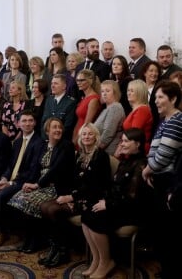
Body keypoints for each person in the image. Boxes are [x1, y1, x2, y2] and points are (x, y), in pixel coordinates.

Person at [38, 123, 111, 267]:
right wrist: (69, 194)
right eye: (84, 134)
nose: (87, 136)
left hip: (93, 198)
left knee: (54, 210)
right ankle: (56, 247)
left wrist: (72, 198)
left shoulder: (100, 156)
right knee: (44, 206)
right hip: (78, 196)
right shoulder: (80, 155)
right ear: (80, 137)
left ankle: (64, 251)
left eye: (90, 134)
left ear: (96, 136)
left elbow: (96, 186)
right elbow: (74, 181)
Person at [81, 128, 149, 278]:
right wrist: (105, 200)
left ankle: (106, 261)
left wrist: (108, 204)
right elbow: (114, 188)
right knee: (86, 215)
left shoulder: (141, 164)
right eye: (122, 140)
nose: (122, 144)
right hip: (118, 205)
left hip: (132, 211)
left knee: (95, 218)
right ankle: (97, 259)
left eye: (126, 141)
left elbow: (132, 198)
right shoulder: (126, 161)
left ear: (137, 144)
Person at [8, 117, 75, 258]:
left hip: (55, 187)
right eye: (54, 127)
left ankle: (37, 240)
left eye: (60, 127)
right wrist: (29, 183)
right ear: (47, 131)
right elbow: (36, 168)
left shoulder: (66, 146)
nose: (58, 130)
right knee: (18, 198)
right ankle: (30, 238)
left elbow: (55, 170)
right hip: (41, 183)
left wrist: (37, 185)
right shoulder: (44, 146)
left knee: (29, 201)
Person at [0, 110, 43, 248]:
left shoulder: (39, 142)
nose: (27, 123)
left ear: (35, 123)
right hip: (11, 179)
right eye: (24, 121)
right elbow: (10, 165)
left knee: (3, 194)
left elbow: (34, 170)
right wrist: (4, 178)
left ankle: (2, 231)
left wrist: (11, 183)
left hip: (25, 181)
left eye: (30, 120)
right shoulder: (17, 142)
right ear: (18, 124)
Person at [142, 81, 182, 279]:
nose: (156, 101)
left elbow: (163, 156)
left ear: (173, 99)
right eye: (155, 97)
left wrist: (147, 170)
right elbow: (153, 152)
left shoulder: (176, 120)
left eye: (161, 97)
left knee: (169, 233)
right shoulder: (165, 120)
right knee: (161, 231)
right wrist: (151, 168)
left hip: (169, 182)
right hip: (158, 178)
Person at [119, 79, 153, 155]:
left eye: (132, 91)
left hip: (137, 152)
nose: (128, 93)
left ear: (140, 93)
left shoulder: (142, 110)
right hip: (129, 148)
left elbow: (133, 135)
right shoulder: (136, 109)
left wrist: (119, 151)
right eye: (128, 90)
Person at [94, 80, 125, 155]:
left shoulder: (115, 108)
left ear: (115, 92)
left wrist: (93, 150)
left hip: (107, 153)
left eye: (107, 91)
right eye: (102, 91)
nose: (104, 94)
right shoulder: (108, 108)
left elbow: (108, 133)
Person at [72, 70, 101, 145]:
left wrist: (77, 140)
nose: (78, 83)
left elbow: (87, 123)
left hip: (85, 136)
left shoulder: (94, 99)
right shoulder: (84, 98)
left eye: (81, 80)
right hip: (78, 134)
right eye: (77, 80)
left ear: (90, 81)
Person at [140, 61, 162, 137]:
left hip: (153, 125)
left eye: (156, 71)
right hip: (139, 122)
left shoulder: (160, 88)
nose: (154, 73)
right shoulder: (139, 87)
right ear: (145, 73)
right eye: (151, 70)